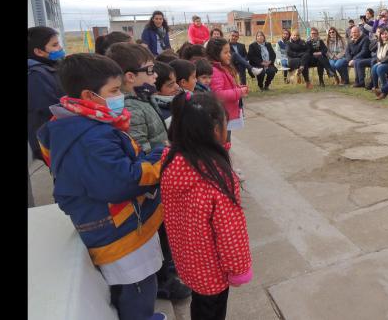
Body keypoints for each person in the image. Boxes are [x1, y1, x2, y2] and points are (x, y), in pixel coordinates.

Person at [36, 53, 169, 320]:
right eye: (114, 90)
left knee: (129, 286)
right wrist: (160, 158)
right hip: (119, 229)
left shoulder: (80, 124)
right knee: (138, 285)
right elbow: (121, 181)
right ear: (89, 95)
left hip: (111, 222)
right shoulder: (89, 137)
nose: (120, 96)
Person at [106, 44, 190, 301]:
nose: (155, 76)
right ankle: (164, 279)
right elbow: (138, 148)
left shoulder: (143, 98)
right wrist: (163, 152)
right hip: (151, 180)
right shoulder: (130, 108)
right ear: (130, 77)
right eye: (150, 71)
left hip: (159, 172)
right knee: (158, 231)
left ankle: (170, 268)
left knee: (165, 229)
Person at [160, 92, 252, 320]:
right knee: (212, 310)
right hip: (213, 270)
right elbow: (230, 232)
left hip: (187, 259)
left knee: (201, 307)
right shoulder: (216, 175)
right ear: (214, 131)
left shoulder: (171, 160)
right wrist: (239, 269)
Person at [28, 26, 66, 161]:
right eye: (55, 45)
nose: (60, 48)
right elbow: (50, 108)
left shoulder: (51, 67)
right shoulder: (35, 75)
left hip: (57, 136)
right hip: (49, 140)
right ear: (39, 51)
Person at [206, 38, 249, 142]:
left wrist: (239, 88)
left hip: (225, 114)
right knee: (223, 143)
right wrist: (239, 92)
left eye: (229, 51)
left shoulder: (222, 67)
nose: (229, 55)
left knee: (226, 140)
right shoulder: (215, 70)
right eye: (225, 52)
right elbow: (218, 94)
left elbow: (227, 85)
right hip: (221, 115)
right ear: (215, 54)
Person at [370, 27, 388, 91]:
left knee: (380, 68)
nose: (384, 36)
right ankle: (376, 87)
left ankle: (385, 88)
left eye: (386, 34)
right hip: (383, 62)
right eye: (382, 34)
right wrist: (377, 40)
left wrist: (381, 62)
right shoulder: (380, 42)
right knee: (374, 67)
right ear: (380, 35)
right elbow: (374, 51)